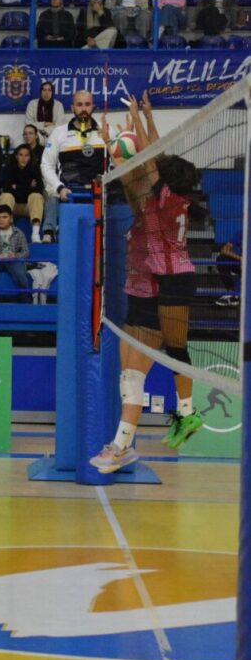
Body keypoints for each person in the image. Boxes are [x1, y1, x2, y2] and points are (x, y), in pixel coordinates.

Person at [90, 94, 204, 472]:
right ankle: (125, 444)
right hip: (144, 287)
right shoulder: (154, 198)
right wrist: (128, 131)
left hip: (169, 281)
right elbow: (154, 157)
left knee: (171, 352)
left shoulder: (164, 199)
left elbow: (152, 157)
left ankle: (180, 415)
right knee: (131, 372)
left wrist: (136, 121)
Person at [41, 89, 107, 207]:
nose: (83, 109)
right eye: (79, 104)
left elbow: (119, 162)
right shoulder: (59, 133)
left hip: (102, 195)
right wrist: (59, 187)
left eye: (87, 104)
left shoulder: (107, 131)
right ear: (72, 108)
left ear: (93, 107)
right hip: (69, 195)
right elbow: (46, 165)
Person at [0, 143, 48, 242]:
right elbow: (6, 188)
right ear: (16, 156)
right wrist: (29, 187)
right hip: (13, 206)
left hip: (29, 207)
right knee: (6, 196)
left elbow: (38, 189)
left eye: (26, 155)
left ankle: (35, 234)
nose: (23, 158)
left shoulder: (34, 169)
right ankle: (5, 233)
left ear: (30, 157)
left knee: (36, 196)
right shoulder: (8, 168)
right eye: (21, 155)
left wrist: (16, 187)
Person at [215, 230, 242, 308]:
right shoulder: (242, 233)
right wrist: (242, 259)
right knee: (222, 259)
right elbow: (224, 250)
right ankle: (232, 293)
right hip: (243, 263)